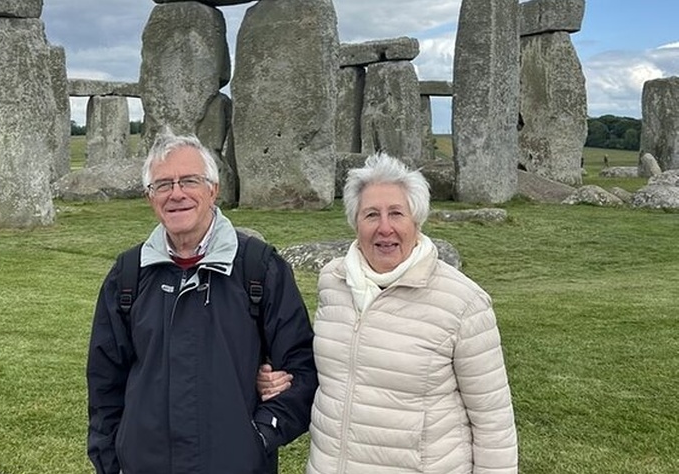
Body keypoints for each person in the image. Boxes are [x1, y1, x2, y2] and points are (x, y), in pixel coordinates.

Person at [259, 152, 518, 473]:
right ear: (355, 222)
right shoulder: (334, 281)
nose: (384, 228)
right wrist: (279, 380)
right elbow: (333, 372)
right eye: (371, 215)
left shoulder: (463, 301)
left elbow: (493, 420)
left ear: (416, 221)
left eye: (396, 213)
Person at [86, 131, 318, 474]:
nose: (176, 193)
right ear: (150, 197)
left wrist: (259, 435)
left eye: (189, 181)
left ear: (213, 189)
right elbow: (104, 383)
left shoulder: (259, 268)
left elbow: (302, 368)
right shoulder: (128, 275)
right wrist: (110, 461)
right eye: (163, 184)